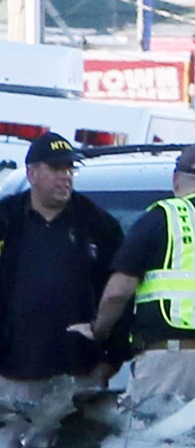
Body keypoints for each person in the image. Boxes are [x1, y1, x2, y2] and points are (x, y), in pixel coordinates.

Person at [72, 144, 195, 437]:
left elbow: (118, 292)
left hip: (173, 359)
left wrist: (99, 331)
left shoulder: (162, 216)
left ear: (176, 181)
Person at [0, 133, 124, 412]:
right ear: (32, 173)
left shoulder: (97, 224)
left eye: (70, 169)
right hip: (10, 373)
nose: (65, 177)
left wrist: (112, 358)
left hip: (79, 372)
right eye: (56, 168)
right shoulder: (6, 219)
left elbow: (121, 291)